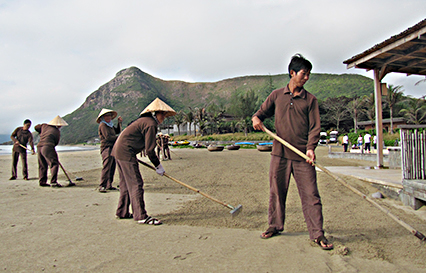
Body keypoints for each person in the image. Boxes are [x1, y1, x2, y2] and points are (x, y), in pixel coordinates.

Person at [252, 54, 333, 250]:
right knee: (277, 192)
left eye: (309, 75)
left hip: (302, 156)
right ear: (292, 73)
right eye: (304, 74)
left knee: (311, 194)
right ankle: (275, 226)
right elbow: (261, 113)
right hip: (279, 154)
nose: (307, 78)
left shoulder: (310, 100)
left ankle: (317, 233)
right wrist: (256, 118)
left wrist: (311, 148)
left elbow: (315, 127)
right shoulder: (277, 95)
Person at [112, 98, 176, 225]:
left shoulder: (145, 121)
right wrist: (158, 166)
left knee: (125, 183)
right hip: (125, 152)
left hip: (119, 151)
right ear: (154, 113)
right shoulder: (150, 124)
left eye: (164, 114)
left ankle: (122, 211)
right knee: (136, 183)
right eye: (162, 114)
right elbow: (150, 150)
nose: (163, 117)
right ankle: (141, 216)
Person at [35, 116, 68, 187]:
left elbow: (36, 127)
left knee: (42, 164)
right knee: (54, 163)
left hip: (39, 146)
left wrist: (41, 132)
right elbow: (56, 142)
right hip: (48, 146)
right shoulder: (56, 131)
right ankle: (53, 182)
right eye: (60, 125)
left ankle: (42, 181)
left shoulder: (44, 126)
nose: (60, 126)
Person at [97, 108, 122, 193]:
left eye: (109, 116)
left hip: (112, 147)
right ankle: (102, 185)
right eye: (106, 116)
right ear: (103, 117)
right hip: (106, 148)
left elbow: (117, 131)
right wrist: (119, 138)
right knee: (107, 166)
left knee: (112, 166)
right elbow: (108, 137)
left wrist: (119, 123)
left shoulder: (110, 125)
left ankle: (109, 184)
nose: (108, 117)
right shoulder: (103, 125)